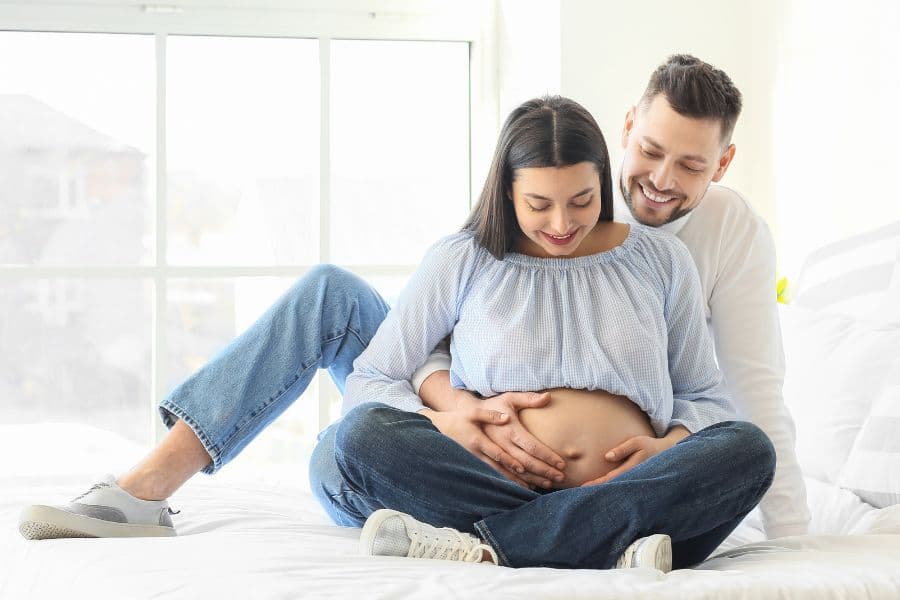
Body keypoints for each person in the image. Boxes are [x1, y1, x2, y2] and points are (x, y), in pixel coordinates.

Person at [19, 53, 799, 546]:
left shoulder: (692, 248)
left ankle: (506, 540)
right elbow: (418, 353)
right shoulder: (482, 245)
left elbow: (741, 392)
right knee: (346, 394)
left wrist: (780, 526)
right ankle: (144, 490)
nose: (659, 180)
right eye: (651, 153)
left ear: (721, 165)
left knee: (746, 451)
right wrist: (450, 408)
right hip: (464, 431)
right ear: (626, 132)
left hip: (603, 472)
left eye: (689, 167)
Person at [307, 94, 774, 571]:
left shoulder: (663, 260)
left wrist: (666, 446)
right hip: (499, 486)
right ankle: (600, 544)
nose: (562, 223)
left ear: (601, 181)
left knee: (749, 450)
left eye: (581, 201)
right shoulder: (461, 259)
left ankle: (489, 546)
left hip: (630, 491)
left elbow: (705, 398)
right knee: (362, 435)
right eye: (539, 204)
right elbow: (371, 380)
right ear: (508, 192)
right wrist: (449, 422)